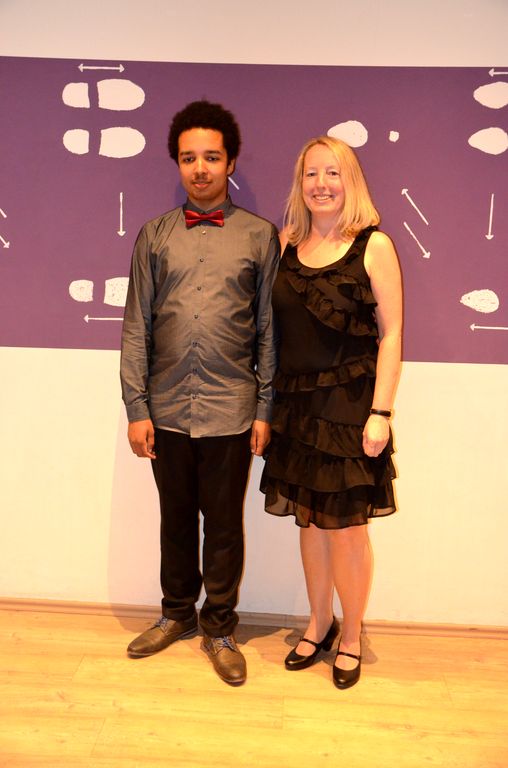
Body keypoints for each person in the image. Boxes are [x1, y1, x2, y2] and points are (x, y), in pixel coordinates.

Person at [120, 100, 279, 686]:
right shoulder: (153, 236)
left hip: (232, 409)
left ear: (230, 162)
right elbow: (136, 325)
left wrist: (264, 408)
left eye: (211, 157)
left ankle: (220, 628)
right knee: (175, 519)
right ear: (178, 164)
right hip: (165, 408)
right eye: (189, 158)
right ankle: (176, 614)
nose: (200, 168)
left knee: (226, 525)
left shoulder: (260, 237)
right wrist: (136, 408)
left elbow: (268, 330)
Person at [260, 136, 402, 689]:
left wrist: (381, 411)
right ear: (300, 183)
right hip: (295, 407)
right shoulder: (284, 243)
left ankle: (352, 634)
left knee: (346, 530)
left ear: (351, 181)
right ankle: (319, 623)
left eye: (332, 173)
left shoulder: (374, 245)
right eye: (311, 174)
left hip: (350, 409)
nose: (321, 184)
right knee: (311, 523)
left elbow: (392, 334)